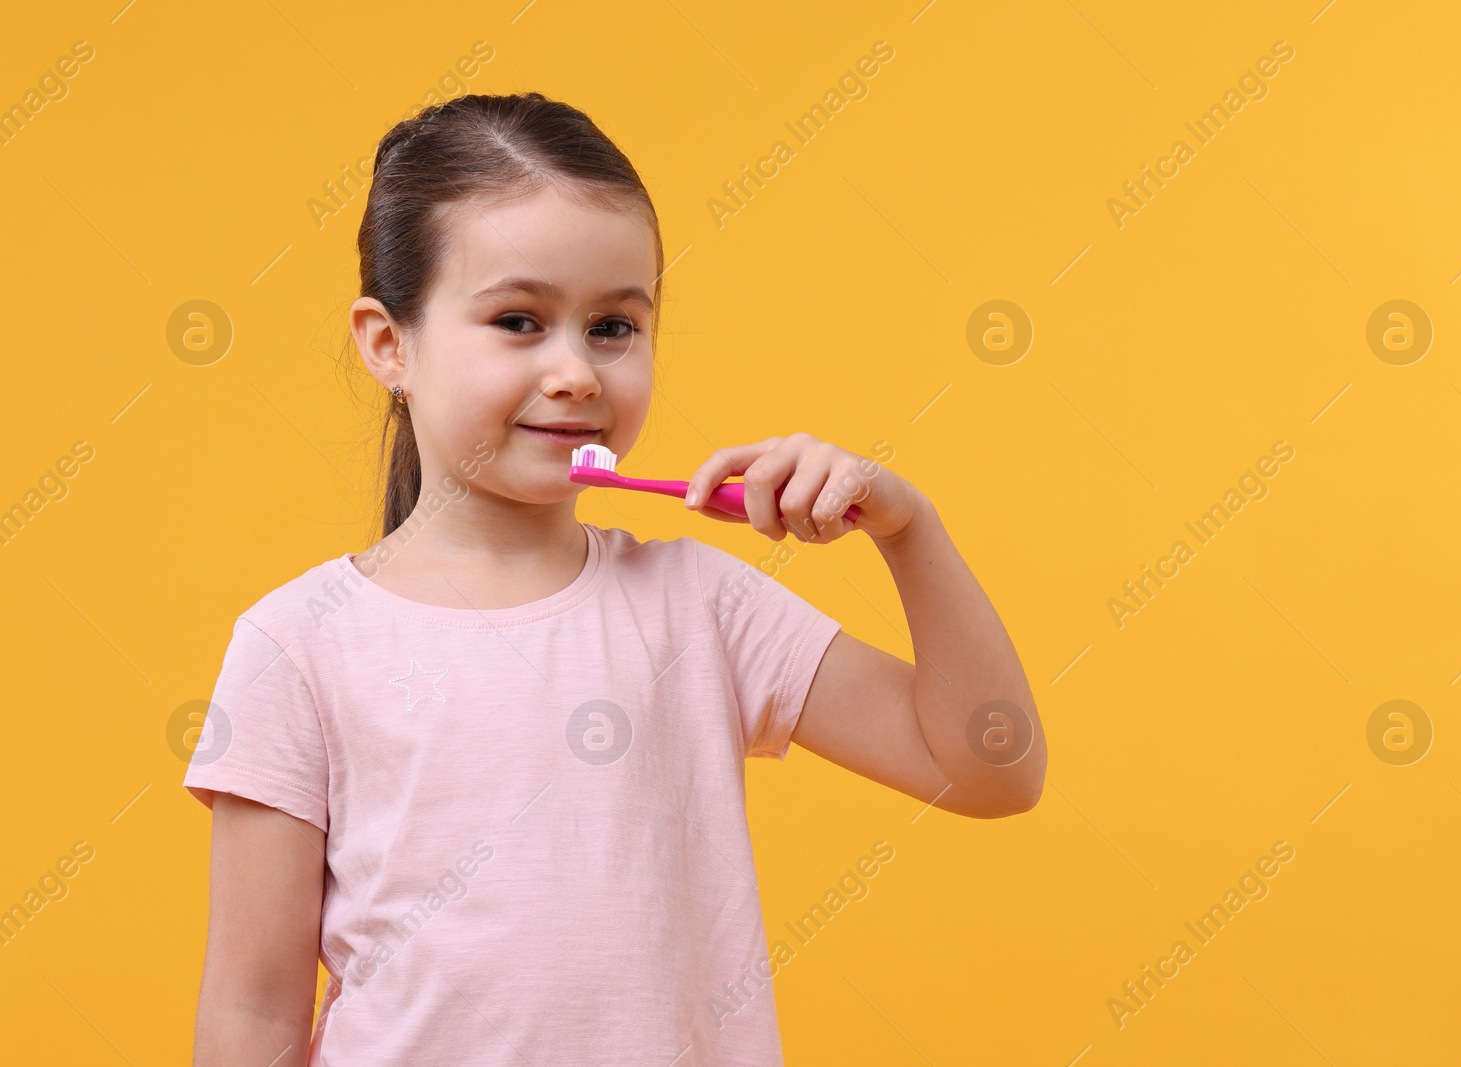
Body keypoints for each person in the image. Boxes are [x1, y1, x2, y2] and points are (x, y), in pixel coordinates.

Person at [184, 90, 1044, 1066]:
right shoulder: (297, 644)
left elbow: (994, 769)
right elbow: (252, 1016)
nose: (578, 372)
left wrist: (907, 529)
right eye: (518, 320)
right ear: (389, 344)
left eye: (613, 327)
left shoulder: (703, 606)